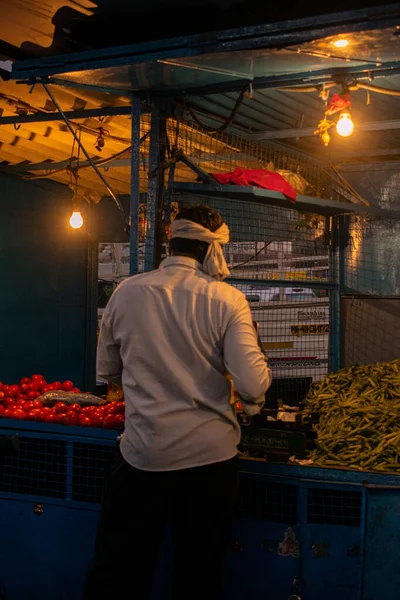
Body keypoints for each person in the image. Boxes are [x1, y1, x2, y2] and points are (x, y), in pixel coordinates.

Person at [83, 204, 272, 600]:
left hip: (142, 457)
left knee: (117, 573)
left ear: (173, 244)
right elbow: (253, 387)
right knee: (197, 576)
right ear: (210, 250)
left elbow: (107, 370)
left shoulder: (126, 291)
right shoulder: (228, 300)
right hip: (210, 462)